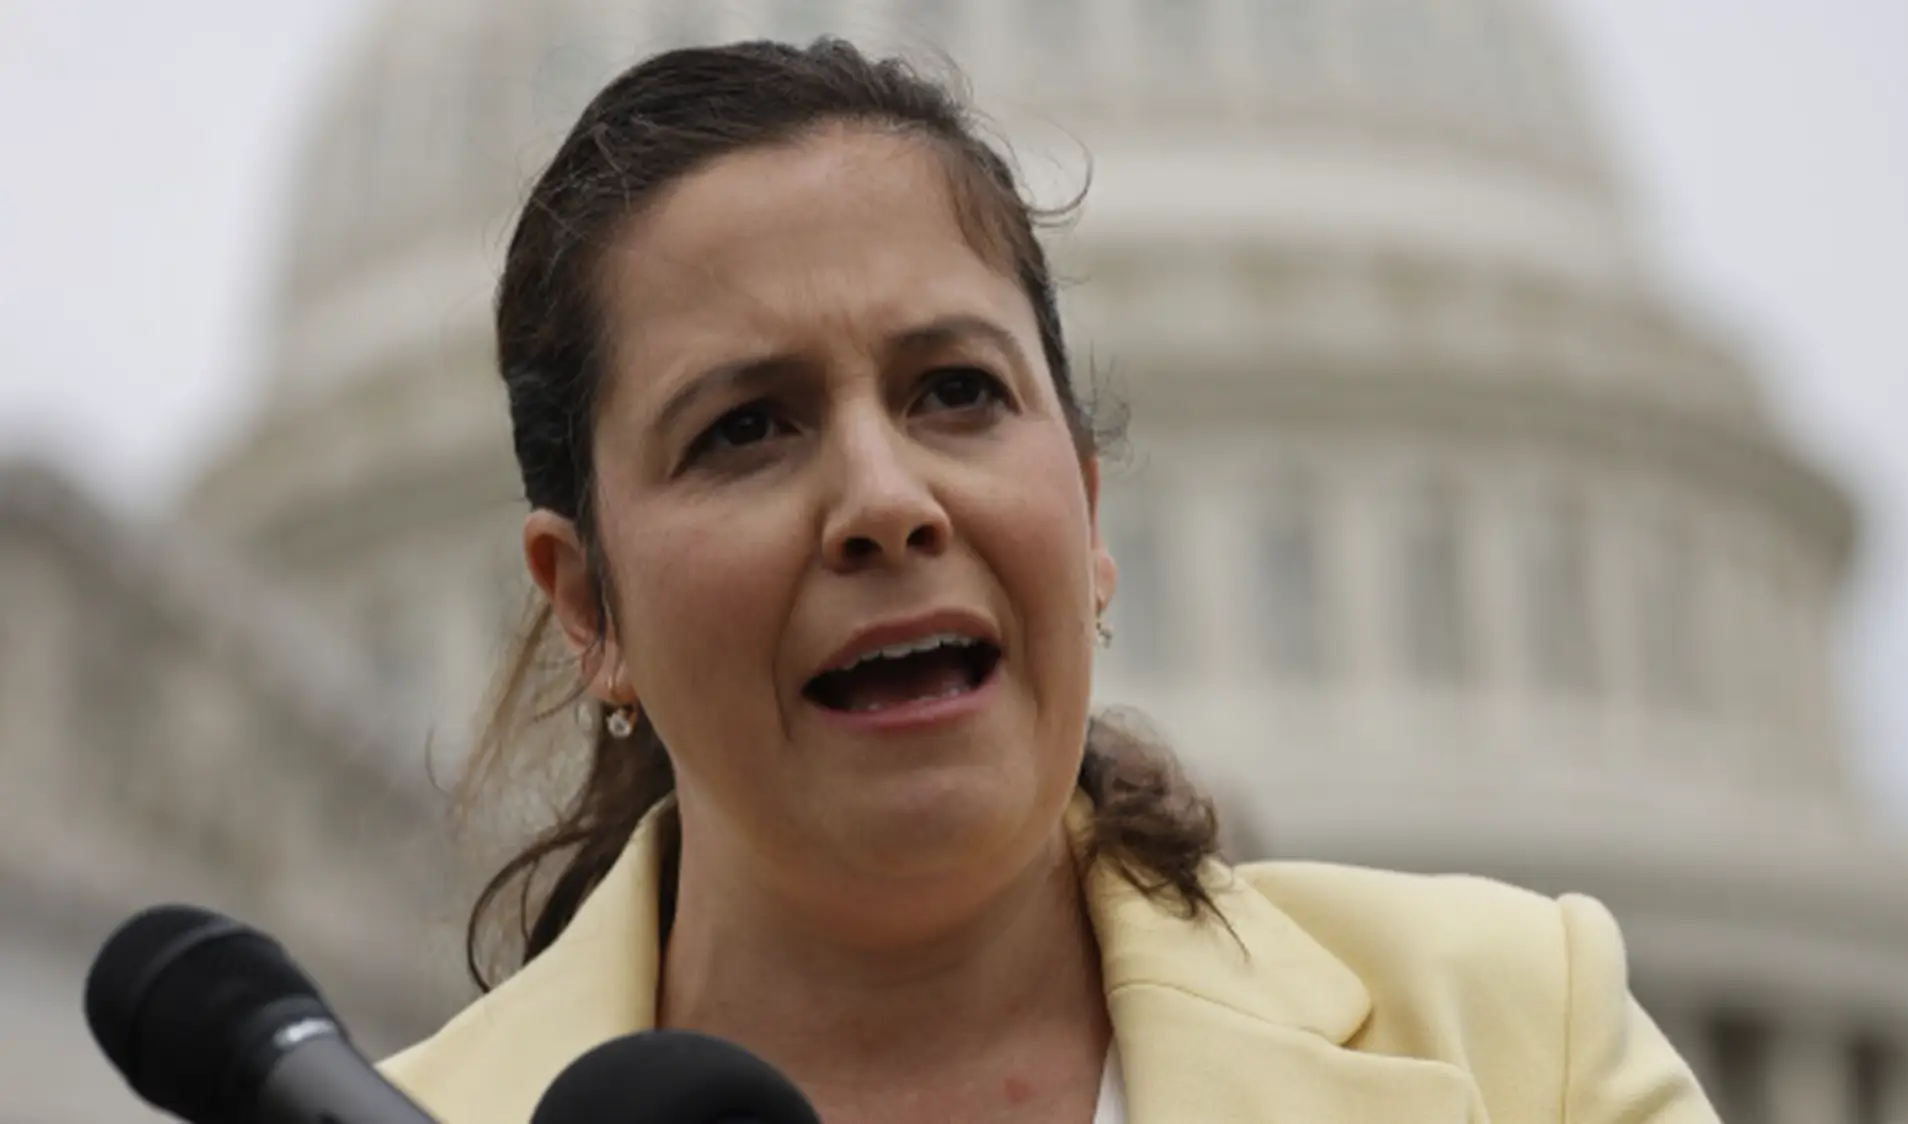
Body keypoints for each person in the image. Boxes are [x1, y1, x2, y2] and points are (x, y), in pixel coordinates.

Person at [380, 37, 1721, 1124]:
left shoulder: (1513, 1044)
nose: (887, 503)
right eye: (747, 428)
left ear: (1084, 510)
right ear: (588, 605)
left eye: (955, 391)